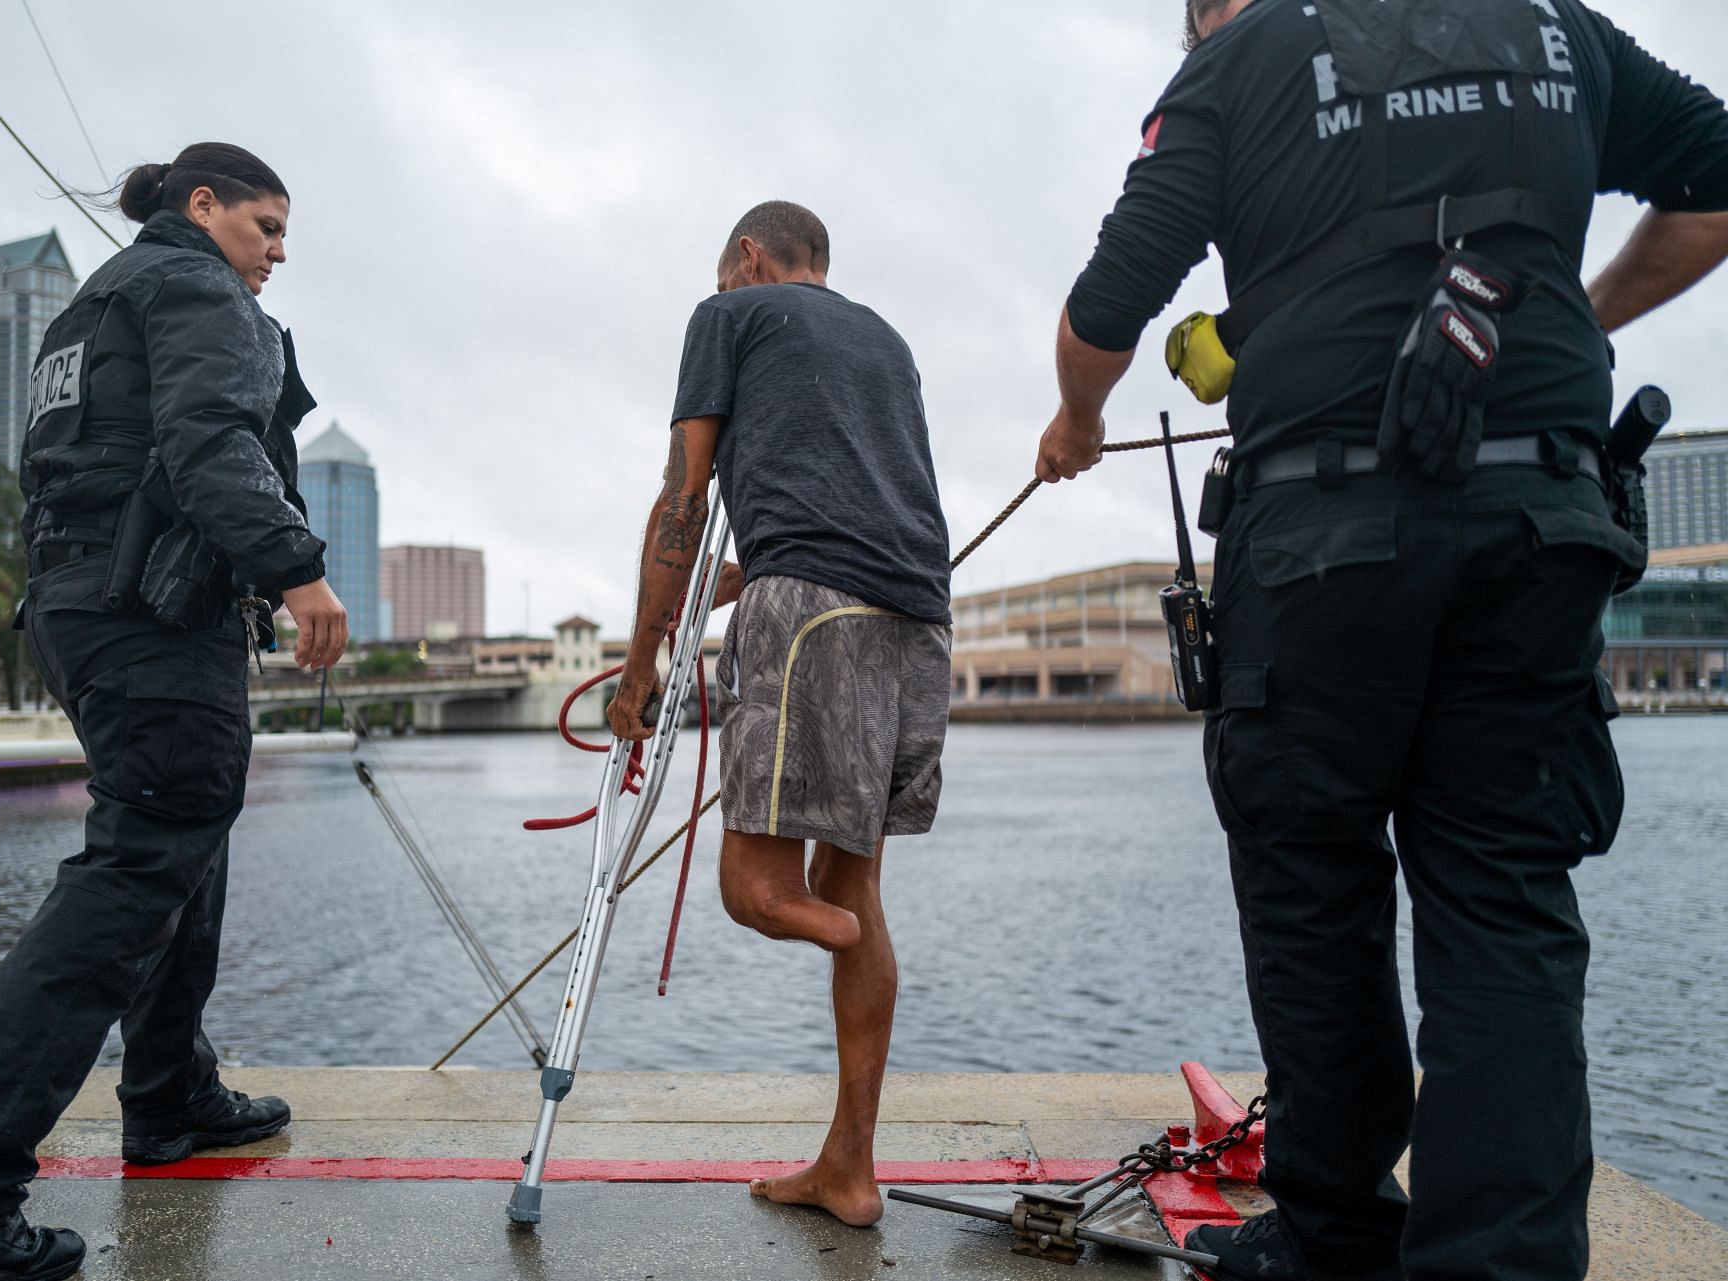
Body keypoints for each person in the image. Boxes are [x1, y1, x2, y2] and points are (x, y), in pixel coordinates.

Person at [1037, 2, 1728, 1278]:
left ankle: (1335, 1238)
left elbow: (1111, 298)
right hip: (1540, 526)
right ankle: (1501, 1262)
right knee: (1506, 901)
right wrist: (1578, 306)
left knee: (1314, 885)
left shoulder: (1240, 57)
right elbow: (1716, 180)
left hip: (1319, 533)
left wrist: (1078, 418)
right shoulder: (1556, 27)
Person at [0, 142, 349, 1281]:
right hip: (152, 618)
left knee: (184, 839)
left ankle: (167, 1095)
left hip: (84, 606)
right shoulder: (197, 288)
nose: (276, 253)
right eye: (265, 226)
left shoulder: (89, 306)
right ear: (203, 204)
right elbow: (211, 441)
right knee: (139, 864)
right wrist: (298, 568)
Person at [606, 201, 953, 1227]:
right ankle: (849, 1168)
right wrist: (737, 579)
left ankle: (850, 937)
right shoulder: (883, 340)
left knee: (758, 891)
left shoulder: (728, 317)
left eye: (726, 273)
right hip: (919, 623)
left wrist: (640, 665)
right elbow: (853, 491)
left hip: (808, 620)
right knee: (855, 886)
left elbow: (684, 494)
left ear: (748, 257)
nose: (721, 289)